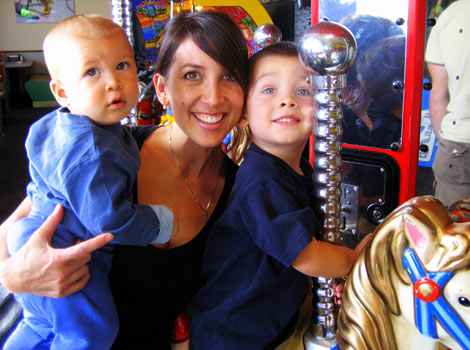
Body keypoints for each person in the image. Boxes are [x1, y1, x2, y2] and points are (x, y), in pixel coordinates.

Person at [0, 10, 248, 349]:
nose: (213, 96)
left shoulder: (240, 194)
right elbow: (13, 229)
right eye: (192, 75)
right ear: (161, 88)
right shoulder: (105, 153)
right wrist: (12, 277)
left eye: (230, 76)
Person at [4, 14, 175, 349]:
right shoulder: (93, 153)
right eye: (92, 72)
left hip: (30, 234)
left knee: (40, 323)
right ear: (62, 91)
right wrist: (160, 223)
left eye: (122, 65)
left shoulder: (58, 124)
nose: (113, 81)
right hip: (63, 251)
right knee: (91, 332)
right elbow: (111, 220)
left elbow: (116, 139)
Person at [188, 42, 370, 350]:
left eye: (302, 91)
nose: (287, 100)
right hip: (235, 334)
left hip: (271, 318)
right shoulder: (263, 181)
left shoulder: (295, 166)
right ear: (244, 112)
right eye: (270, 90)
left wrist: (332, 273)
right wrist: (353, 262)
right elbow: (307, 255)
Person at [425, 0, 470, 207]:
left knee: (455, 233)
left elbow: (438, 95)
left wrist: (448, 142)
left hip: (458, 143)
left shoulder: (450, 16)